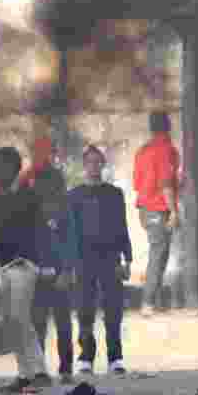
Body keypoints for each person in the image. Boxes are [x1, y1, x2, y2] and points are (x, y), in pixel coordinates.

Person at [0, 147, 53, 393]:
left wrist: (45, 262)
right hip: (5, 266)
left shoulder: (28, 195)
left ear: (11, 169)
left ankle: (39, 371)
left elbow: (40, 230)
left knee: (20, 318)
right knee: (11, 321)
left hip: (24, 264)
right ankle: (25, 373)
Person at [66, 145, 132, 376]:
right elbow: (70, 233)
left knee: (113, 309)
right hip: (84, 259)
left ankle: (116, 357)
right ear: (84, 166)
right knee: (85, 309)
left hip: (110, 257)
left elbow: (122, 227)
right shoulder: (74, 196)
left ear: (103, 164)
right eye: (89, 162)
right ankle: (85, 357)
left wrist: (128, 259)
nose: (94, 166)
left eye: (97, 161)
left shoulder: (114, 194)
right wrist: (70, 264)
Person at [22, 137, 75, 383]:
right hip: (38, 273)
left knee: (63, 321)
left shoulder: (63, 209)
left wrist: (66, 270)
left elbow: (70, 240)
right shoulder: (29, 210)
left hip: (59, 273)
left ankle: (65, 369)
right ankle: (40, 369)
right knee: (38, 323)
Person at [133, 111, 180, 315]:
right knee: (158, 254)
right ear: (168, 126)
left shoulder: (143, 151)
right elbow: (165, 183)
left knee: (160, 254)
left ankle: (154, 300)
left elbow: (137, 183)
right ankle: (148, 302)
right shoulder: (166, 149)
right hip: (159, 208)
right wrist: (173, 210)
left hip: (145, 209)